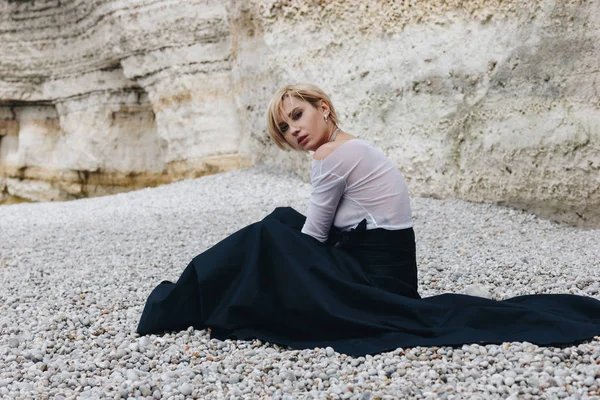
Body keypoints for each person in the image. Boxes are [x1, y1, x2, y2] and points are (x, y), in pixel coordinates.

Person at [138, 84, 600, 356]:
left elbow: (315, 236)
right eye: (284, 128)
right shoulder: (351, 146)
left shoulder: (333, 156)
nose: (293, 130)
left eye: (297, 116)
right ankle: (208, 298)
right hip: (387, 268)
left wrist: (280, 252)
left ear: (323, 107)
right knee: (278, 223)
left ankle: (188, 300)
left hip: (380, 284)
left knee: (266, 236)